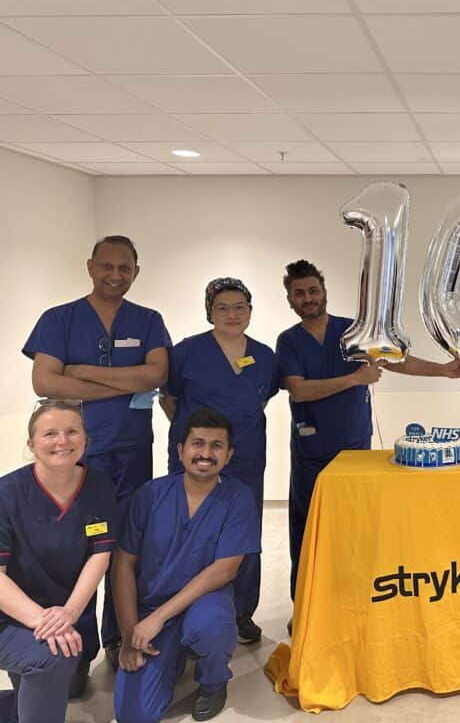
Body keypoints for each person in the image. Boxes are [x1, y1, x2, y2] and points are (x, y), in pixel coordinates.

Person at [22, 234, 171, 686]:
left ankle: (119, 635)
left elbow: (157, 374)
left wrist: (82, 373)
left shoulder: (148, 320)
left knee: (126, 548)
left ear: (136, 272)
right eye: (107, 266)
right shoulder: (59, 319)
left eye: (124, 268)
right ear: (90, 266)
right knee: (78, 552)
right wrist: (126, 381)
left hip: (131, 451)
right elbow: (44, 382)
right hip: (76, 456)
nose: (115, 275)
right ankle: (76, 653)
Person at [275, 259, 460, 603]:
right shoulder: (289, 341)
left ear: (324, 292)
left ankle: (351, 602)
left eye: (313, 290)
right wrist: (354, 378)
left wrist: (444, 370)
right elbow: (299, 390)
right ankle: (306, 606)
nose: (308, 298)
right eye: (299, 293)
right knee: (308, 531)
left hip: (353, 448)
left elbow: (397, 360)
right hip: (312, 452)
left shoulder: (352, 332)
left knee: (355, 529)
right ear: (290, 299)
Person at [113, 407, 260, 723]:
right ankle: (172, 656)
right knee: (133, 715)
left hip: (204, 603)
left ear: (229, 455)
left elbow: (225, 569)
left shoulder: (238, 498)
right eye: (197, 443)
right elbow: (122, 566)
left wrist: (160, 618)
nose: (205, 453)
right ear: (180, 451)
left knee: (212, 626)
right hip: (151, 606)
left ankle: (213, 682)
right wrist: (129, 635)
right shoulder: (150, 495)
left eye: (216, 446)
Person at [161, 278, 277, 645]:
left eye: (240, 307)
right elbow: (170, 400)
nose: (232, 314)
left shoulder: (264, 356)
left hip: (246, 457)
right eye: (222, 308)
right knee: (191, 533)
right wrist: (201, 443)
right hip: (196, 460)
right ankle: (186, 612)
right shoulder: (186, 352)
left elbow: (259, 401)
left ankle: (241, 612)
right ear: (209, 312)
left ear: (250, 311)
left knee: (244, 534)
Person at [0, 399, 116, 722]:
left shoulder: (99, 487)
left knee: (69, 683)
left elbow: (100, 554)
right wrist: (43, 621)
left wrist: (69, 613)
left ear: (86, 439)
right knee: (52, 658)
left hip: (63, 616)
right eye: (50, 433)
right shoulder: (6, 494)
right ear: (31, 444)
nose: (62, 441)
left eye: (72, 431)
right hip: (10, 615)